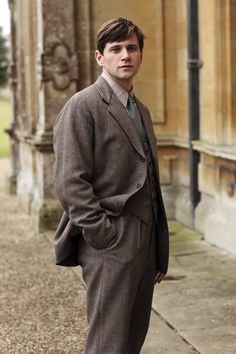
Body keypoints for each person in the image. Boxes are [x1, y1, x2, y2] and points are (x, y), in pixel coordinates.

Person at [53, 17, 169, 354]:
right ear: (100, 57)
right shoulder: (83, 105)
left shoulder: (141, 110)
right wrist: (104, 236)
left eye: (132, 48)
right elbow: (70, 182)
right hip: (110, 242)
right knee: (108, 343)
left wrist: (157, 249)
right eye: (115, 49)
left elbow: (150, 180)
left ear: (141, 55)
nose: (125, 55)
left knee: (132, 339)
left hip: (145, 243)